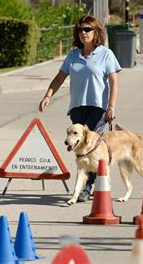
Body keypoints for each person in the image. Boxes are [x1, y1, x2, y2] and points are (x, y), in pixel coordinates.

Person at [38, 15, 121, 202]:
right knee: (79, 147)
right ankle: (85, 185)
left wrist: (111, 107)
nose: (83, 33)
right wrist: (48, 95)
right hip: (77, 108)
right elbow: (59, 78)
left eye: (88, 29)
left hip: (98, 108)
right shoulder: (73, 55)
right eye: (81, 30)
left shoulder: (105, 54)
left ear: (96, 31)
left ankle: (87, 188)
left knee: (91, 147)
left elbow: (114, 82)